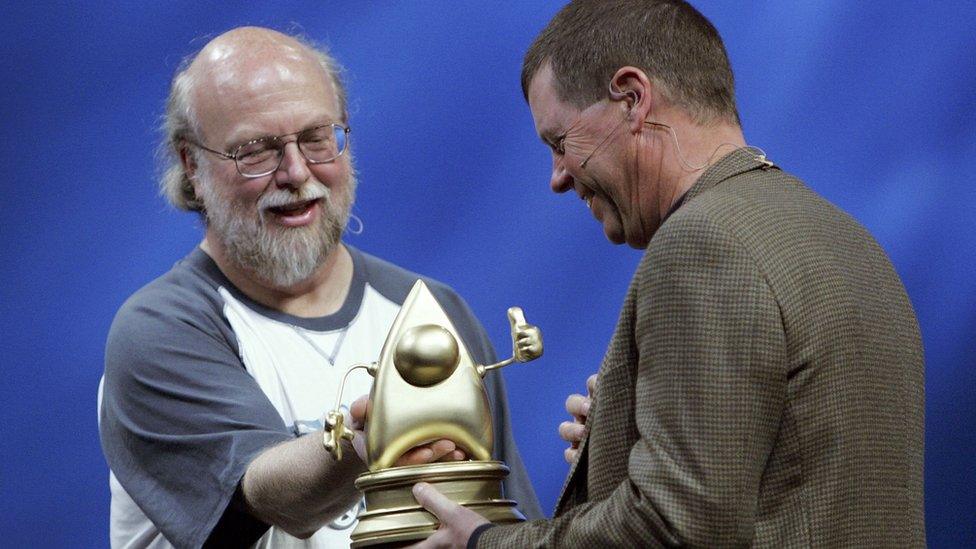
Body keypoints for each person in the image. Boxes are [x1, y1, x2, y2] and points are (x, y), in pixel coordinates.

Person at [412, 1, 925, 547]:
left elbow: (671, 526)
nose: (558, 178)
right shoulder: (847, 239)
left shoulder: (704, 245)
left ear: (633, 99)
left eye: (560, 144)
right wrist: (635, 435)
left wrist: (485, 542)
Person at [98, 27, 541, 548]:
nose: (296, 171)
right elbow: (275, 499)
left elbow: (504, 524)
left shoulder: (431, 312)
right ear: (192, 165)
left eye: (317, 138)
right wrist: (371, 438)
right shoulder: (160, 330)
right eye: (256, 151)